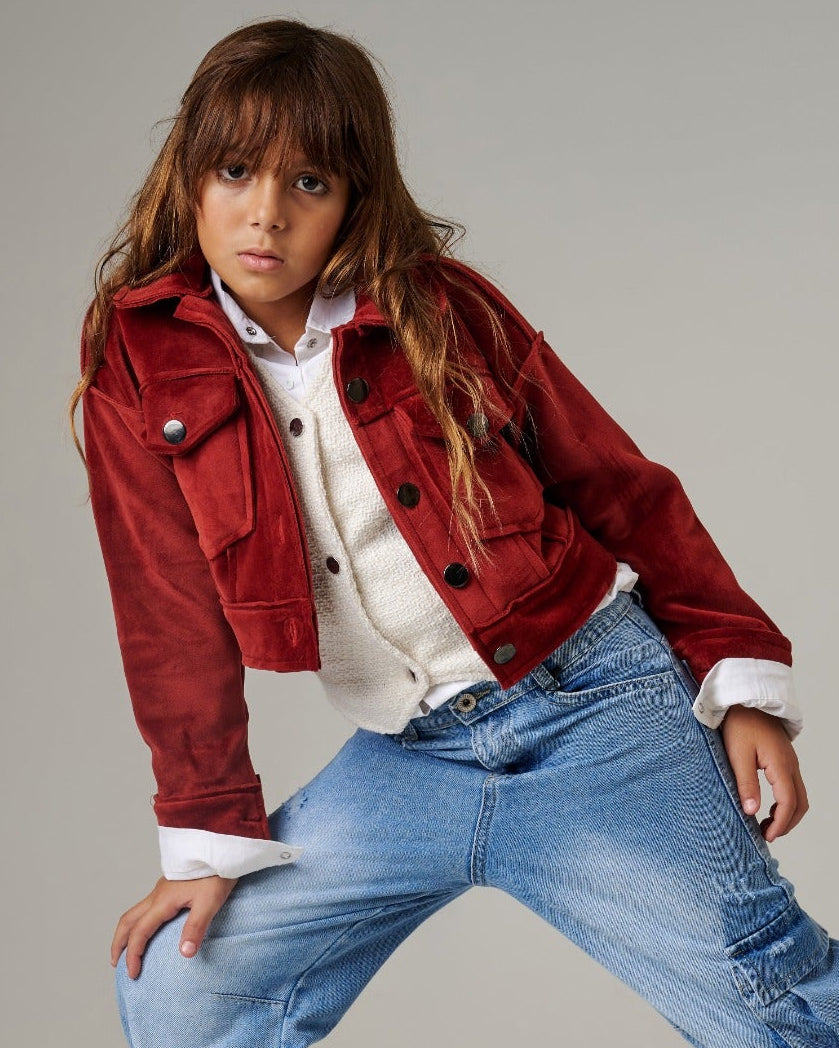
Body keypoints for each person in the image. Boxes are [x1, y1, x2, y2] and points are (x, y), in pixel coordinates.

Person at [71, 17, 839, 1048]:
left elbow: (620, 488)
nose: (266, 214)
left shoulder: (438, 309)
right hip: (411, 760)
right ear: (189, 178)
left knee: (775, 1002)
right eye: (236, 171)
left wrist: (737, 677)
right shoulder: (138, 356)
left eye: (309, 182)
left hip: (594, 711)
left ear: (354, 197)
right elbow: (164, 609)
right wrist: (205, 828)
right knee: (187, 991)